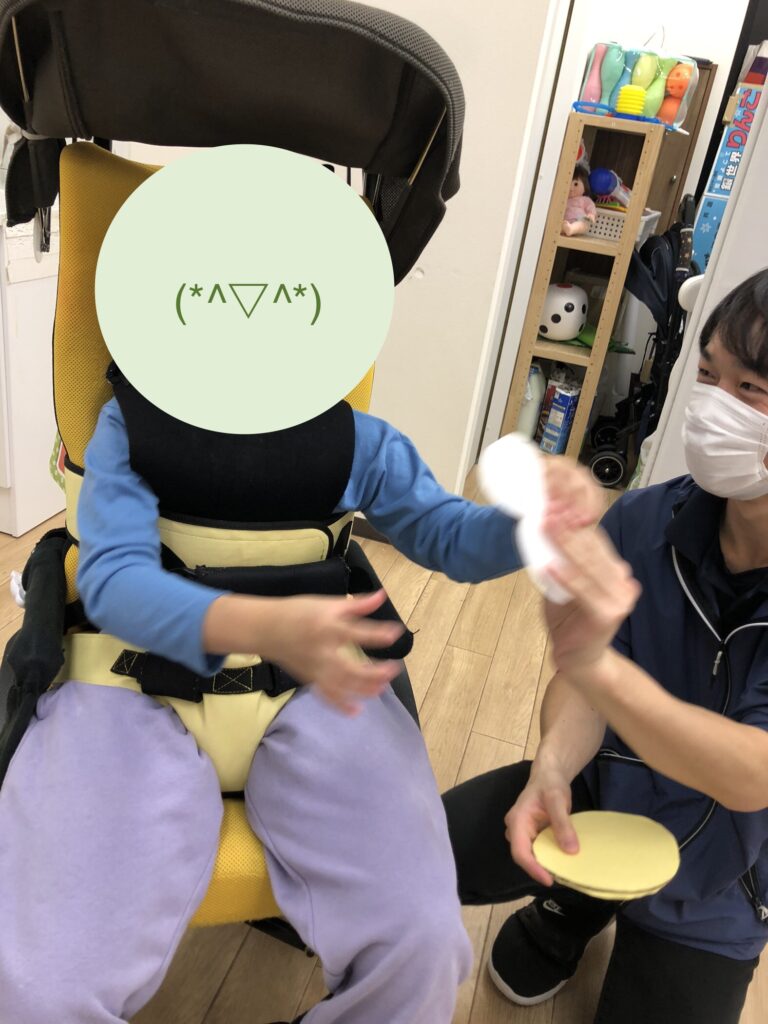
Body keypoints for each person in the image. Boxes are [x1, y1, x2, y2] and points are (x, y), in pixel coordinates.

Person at [0, 354, 602, 1024]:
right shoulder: (128, 427)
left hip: (312, 689)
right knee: (36, 989)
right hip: (133, 684)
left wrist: (531, 526)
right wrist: (257, 624)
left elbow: (449, 536)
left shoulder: (357, 442)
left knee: (423, 949)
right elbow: (113, 580)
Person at [444, 269, 768, 1024]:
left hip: (729, 875)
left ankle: (630, 918)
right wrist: (553, 768)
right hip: (608, 792)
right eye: (708, 375)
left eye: (750, 389)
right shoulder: (648, 521)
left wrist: (593, 664)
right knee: (424, 847)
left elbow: (751, 773)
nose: (713, 406)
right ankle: (573, 906)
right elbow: (582, 690)